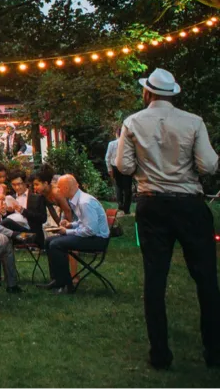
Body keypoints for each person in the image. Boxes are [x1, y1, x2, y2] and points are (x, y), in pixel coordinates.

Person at [117, 68, 220, 369]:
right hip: (189, 203)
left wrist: (147, 168)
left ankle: (160, 354)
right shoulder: (193, 122)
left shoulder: (133, 122)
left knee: (155, 278)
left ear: (147, 93)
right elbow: (209, 164)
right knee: (206, 279)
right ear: (172, 94)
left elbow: (123, 166)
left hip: (152, 204)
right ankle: (214, 351)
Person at [40, 174, 109, 294]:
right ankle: (57, 279)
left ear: (66, 188)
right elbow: (84, 222)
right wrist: (71, 225)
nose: (57, 190)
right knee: (49, 241)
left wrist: (66, 231)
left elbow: (90, 230)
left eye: (59, 187)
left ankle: (66, 284)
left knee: (56, 244)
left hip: (97, 239)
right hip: (91, 236)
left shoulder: (84, 202)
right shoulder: (77, 200)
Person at [1, 172, 48, 246]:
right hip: (15, 233)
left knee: (6, 223)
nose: (17, 187)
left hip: (30, 234)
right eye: (14, 185)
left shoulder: (36, 197)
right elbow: (9, 218)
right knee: (5, 223)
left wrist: (23, 211)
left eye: (19, 184)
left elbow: (43, 218)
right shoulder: (11, 198)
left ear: (25, 183)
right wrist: (5, 212)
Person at [106, 125, 132, 216]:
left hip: (115, 167)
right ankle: (126, 208)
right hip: (126, 167)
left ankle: (120, 206)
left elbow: (108, 157)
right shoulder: (129, 144)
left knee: (118, 187)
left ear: (117, 134)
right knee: (127, 188)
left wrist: (109, 169)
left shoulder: (112, 144)